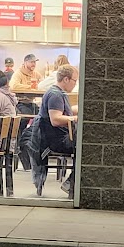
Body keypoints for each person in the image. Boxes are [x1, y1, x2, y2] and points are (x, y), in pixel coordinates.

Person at [29, 64, 79, 196]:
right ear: (66, 79)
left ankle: (72, 183)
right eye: (75, 81)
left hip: (56, 137)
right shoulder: (55, 95)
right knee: (85, 149)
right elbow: (55, 119)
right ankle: (71, 183)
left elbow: (64, 110)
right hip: (56, 141)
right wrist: (75, 118)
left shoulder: (57, 93)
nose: (75, 84)